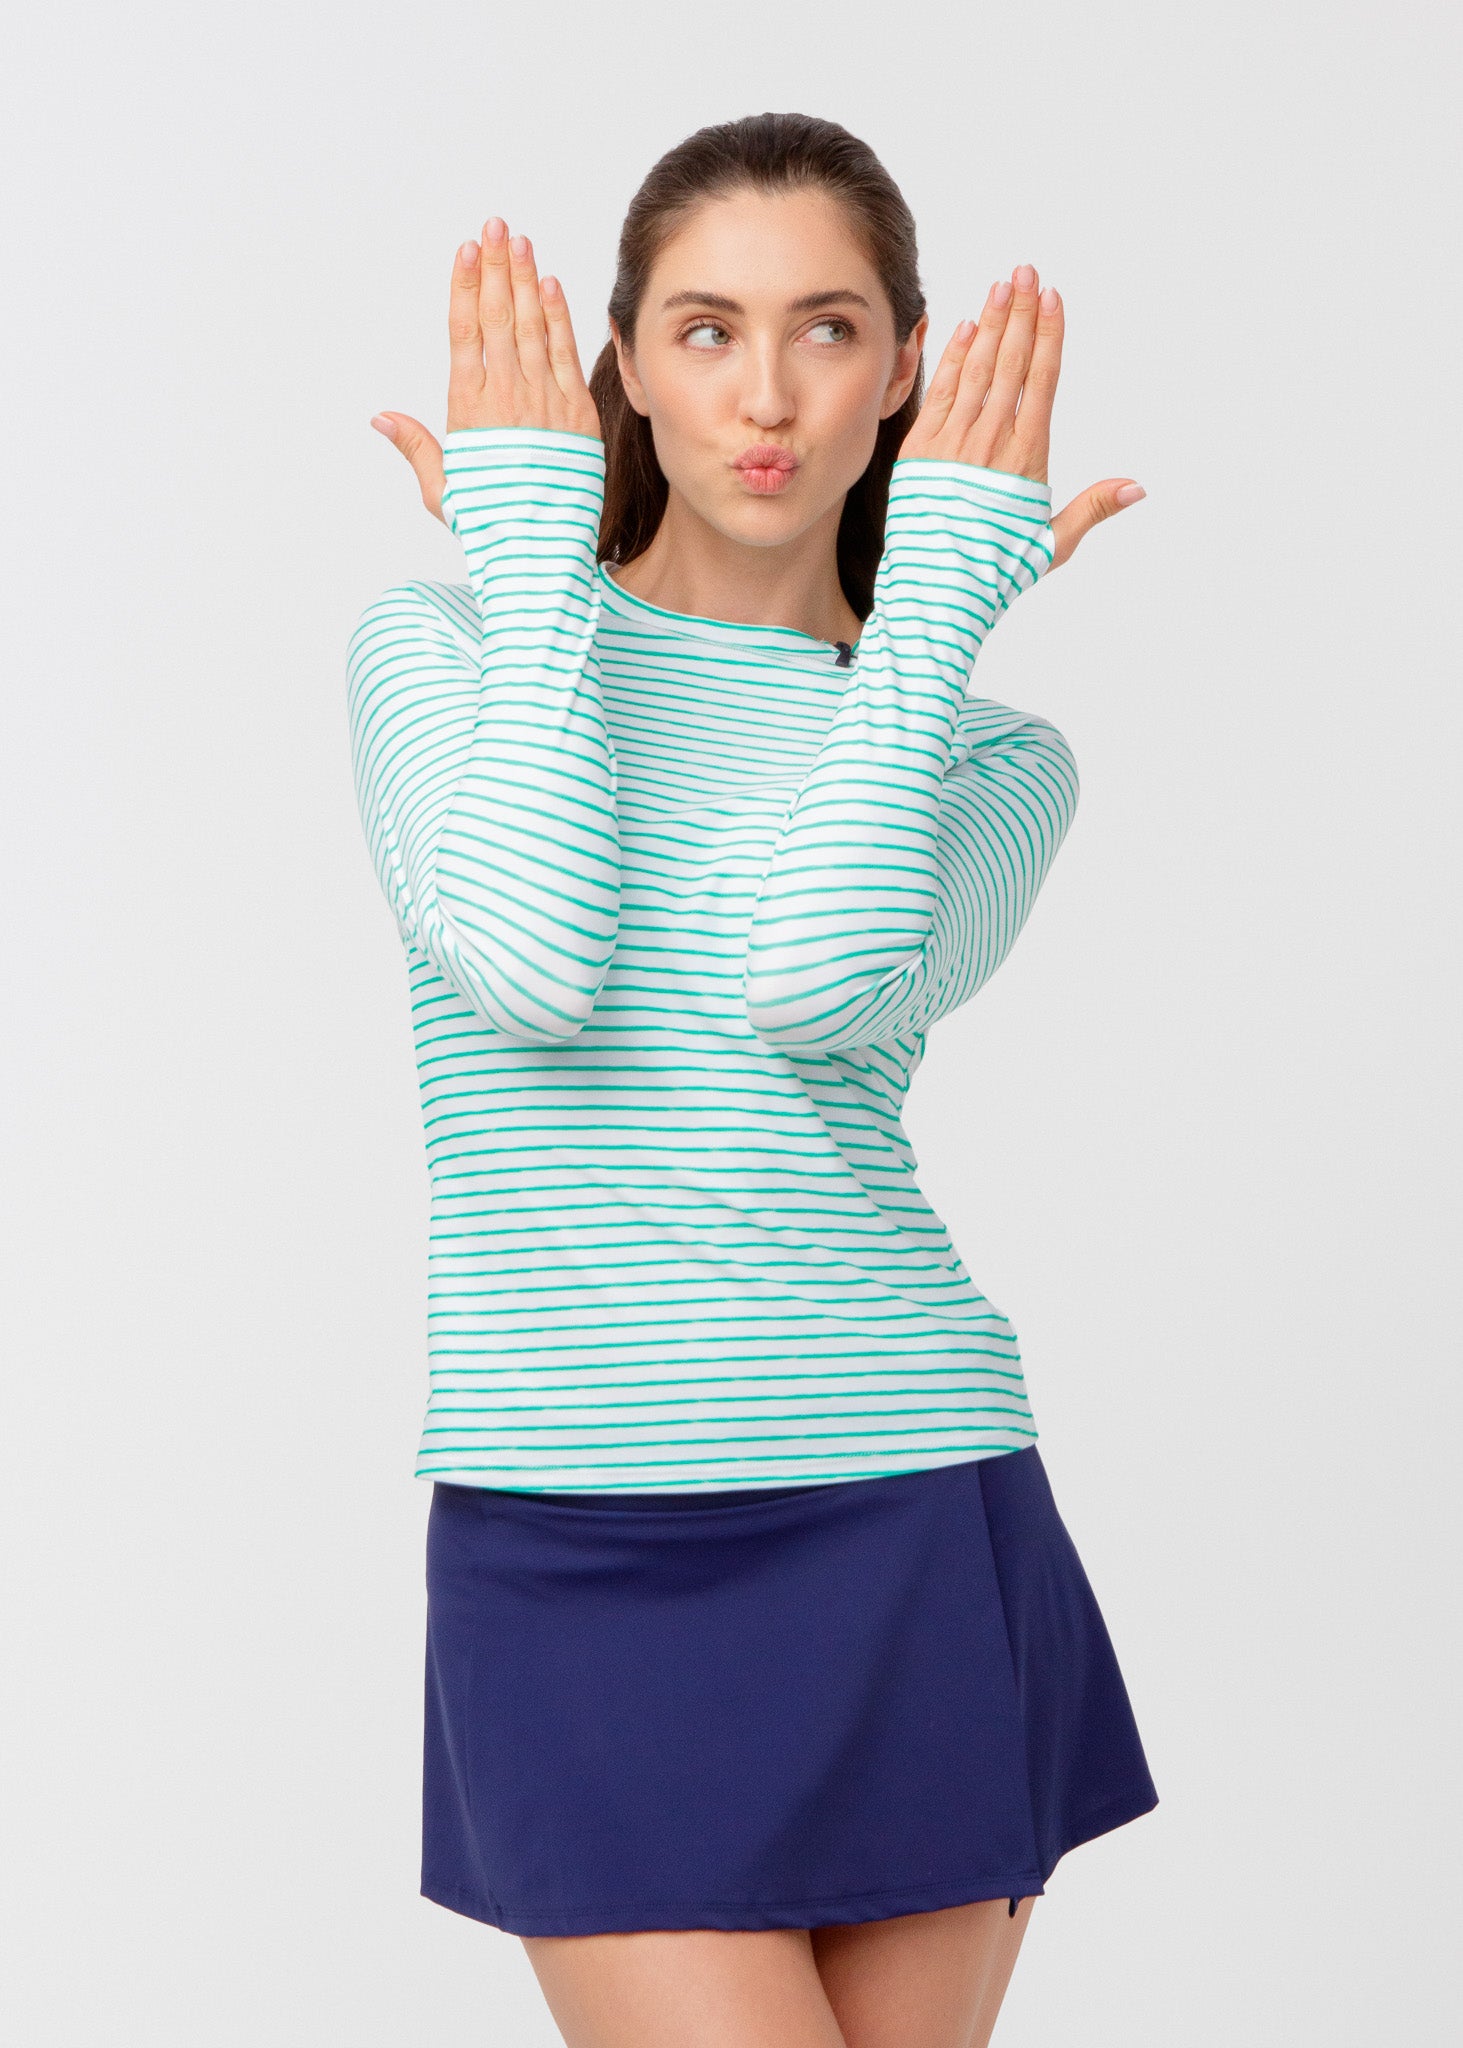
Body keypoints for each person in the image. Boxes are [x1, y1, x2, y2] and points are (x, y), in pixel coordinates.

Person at [347, 111, 1157, 2048]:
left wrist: (937, 610)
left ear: (908, 366)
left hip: (905, 1503)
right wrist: (543, 560)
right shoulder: (446, 646)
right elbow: (531, 968)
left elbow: (810, 986)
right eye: (706, 330)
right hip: (577, 1522)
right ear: (621, 365)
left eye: (828, 327)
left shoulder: (988, 752)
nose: (769, 391)